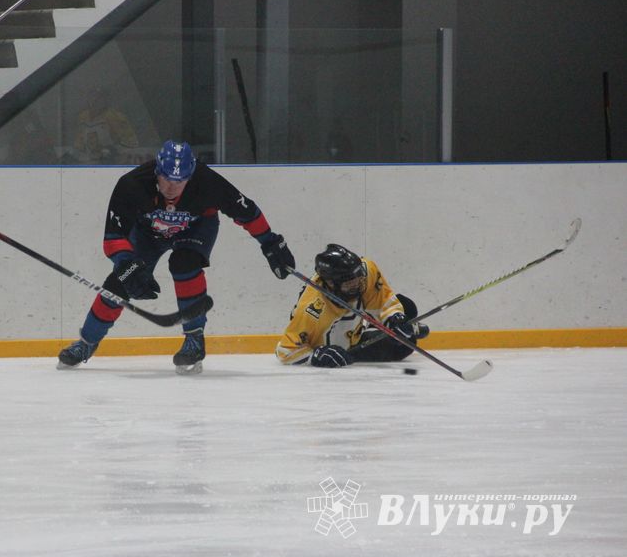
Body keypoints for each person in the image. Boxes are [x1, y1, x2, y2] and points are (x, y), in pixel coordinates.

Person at [58, 139, 296, 374]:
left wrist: (270, 242)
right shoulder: (132, 184)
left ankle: (194, 339)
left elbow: (247, 212)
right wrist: (126, 266)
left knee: (184, 263)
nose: (172, 187)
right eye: (166, 179)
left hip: (196, 229)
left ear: (190, 176)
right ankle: (86, 342)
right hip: (147, 234)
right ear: (157, 171)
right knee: (119, 282)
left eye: (179, 181)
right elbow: (112, 237)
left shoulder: (207, 181)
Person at [275, 244, 429, 368]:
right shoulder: (312, 309)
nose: (358, 285)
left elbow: (383, 301)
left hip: (356, 325)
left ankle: (394, 327)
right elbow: (284, 350)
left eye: (359, 279)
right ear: (331, 283)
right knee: (405, 347)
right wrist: (315, 356)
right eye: (350, 284)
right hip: (341, 347)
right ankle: (401, 329)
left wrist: (394, 318)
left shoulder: (365, 271)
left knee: (407, 308)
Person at [71, 87, 139, 164]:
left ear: (105, 99)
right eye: (92, 96)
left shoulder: (115, 117)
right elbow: (79, 142)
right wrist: (77, 153)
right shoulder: (82, 117)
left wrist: (113, 151)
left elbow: (130, 142)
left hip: (111, 161)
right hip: (88, 162)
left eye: (99, 97)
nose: (95, 100)